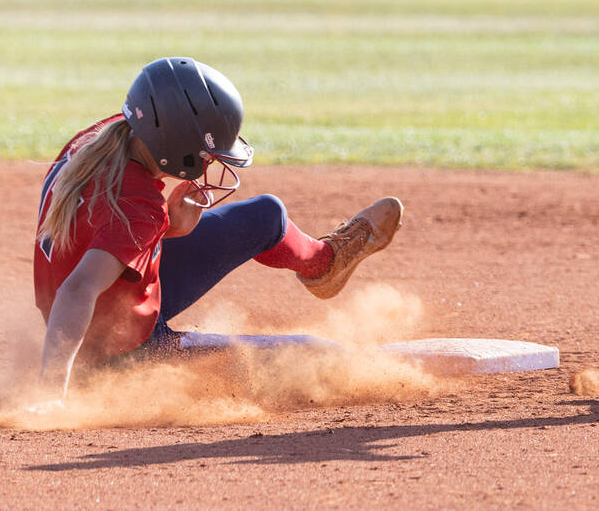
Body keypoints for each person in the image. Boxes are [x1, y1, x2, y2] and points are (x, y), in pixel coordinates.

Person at [32, 56, 402, 404]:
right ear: (175, 147)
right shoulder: (138, 207)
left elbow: (95, 236)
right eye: (207, 154)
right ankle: (83, 380)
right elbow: (79, 288)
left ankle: (327, 264)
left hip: (112, 301)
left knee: (267, 216)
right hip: (119, 349)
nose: (211, 162)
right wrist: (51, 394)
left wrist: (169, 228)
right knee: (317, 357)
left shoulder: (101, 139)